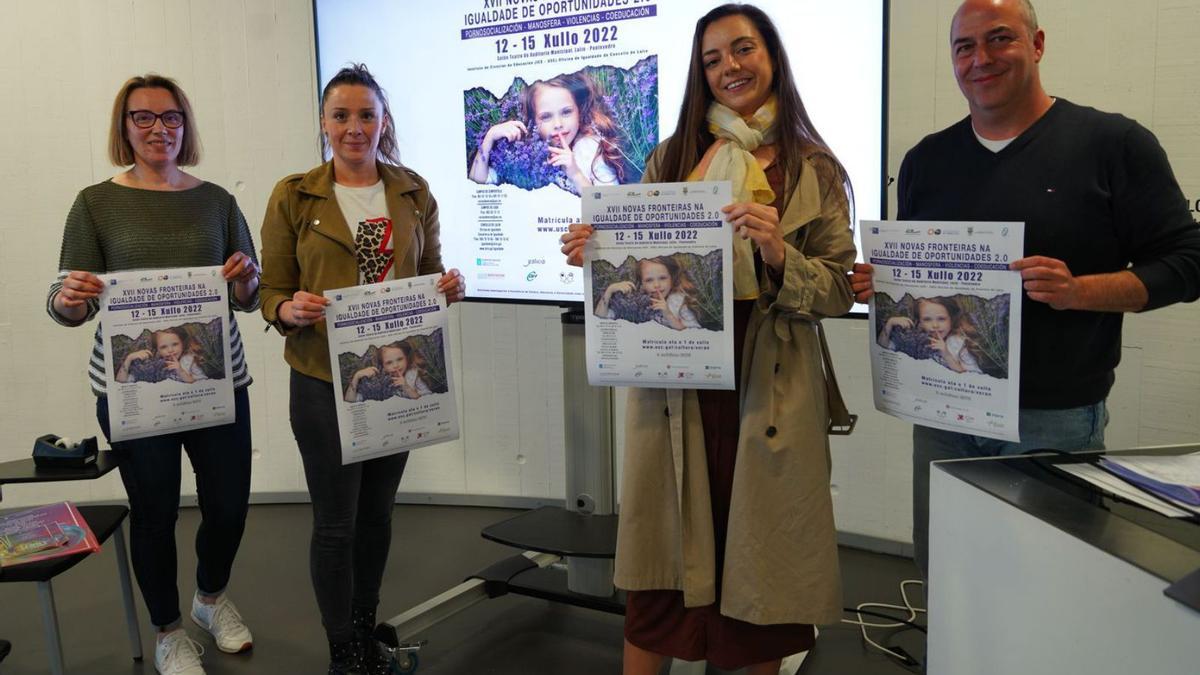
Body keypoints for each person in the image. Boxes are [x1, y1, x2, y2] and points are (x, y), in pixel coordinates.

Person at [849, 0, 1200, 577]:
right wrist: (882, 286)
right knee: (948, 575)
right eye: (965, 46)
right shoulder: (925, 161)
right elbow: (924, 287)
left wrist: (1079, 291)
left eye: (1000, 39)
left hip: (1054, 416)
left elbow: (1188, 262)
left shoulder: (1113, 144)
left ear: (1037, 45)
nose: (981, 59)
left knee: (1046, 585)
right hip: (944, 410)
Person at [561, 5, 856, 673]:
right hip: (678, 384)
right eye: (712, 59)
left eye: (742, 49)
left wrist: (781, 252)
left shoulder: (816, 170)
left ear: (772, 56)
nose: (729, 67)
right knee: (659, 576)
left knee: (762, 576)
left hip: (768, 392)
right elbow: (640, 270)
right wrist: (597, 250)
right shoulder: (671, 158)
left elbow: (839, 290)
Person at [47, 74, 260, 675]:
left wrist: (247, 279)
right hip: (130, 390)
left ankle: (209, 599)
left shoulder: (217, 200)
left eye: (170, 117)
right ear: (124, 128)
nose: (158, 128)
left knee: (229, 506)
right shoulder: (94, 202)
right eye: (143, 118)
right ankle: (168, 630)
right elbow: (69, 301)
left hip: (218, 380)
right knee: (155, 512)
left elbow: (249, 292)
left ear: (185, 125)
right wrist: (69, 297)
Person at [259, 63, 466, 675]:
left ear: (383, 122)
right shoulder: (294, 194)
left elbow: (429, 271)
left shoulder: (412, 190)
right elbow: (273, 288)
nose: (355, 127)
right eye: (341, 115)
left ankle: (364, 624)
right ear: (324, 123)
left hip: (399, 382)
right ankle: (341, 647)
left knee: (377, 516)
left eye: (366, 115)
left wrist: (447, 286)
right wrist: (287, 309)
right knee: (336, 523)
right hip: (325, 380)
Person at [469, 72, 623, 193]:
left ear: (579, 110)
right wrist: (488, 140)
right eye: (546, 117)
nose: (558, 124)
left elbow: (609, 207)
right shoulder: (523, 153)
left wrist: (575, 174)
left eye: (566, 112)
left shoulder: (590, 148)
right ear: (533, 121)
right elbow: (478, 186)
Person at [877, 297, 985, 374]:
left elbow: (970, 378)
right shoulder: (915, 338)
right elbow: (883, 349)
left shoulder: (957, 343)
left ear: (951, 319)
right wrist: (889, 324)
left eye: (941, 319)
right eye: (927, 319)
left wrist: (946, 354)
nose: (935, 325)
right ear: (919, 321)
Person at [595, 257, 703, 330]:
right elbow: (601, 320)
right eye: (649, 280)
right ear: (641, 283)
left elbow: (692, 336)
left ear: (672, 278)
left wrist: (669, 315)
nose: (656, 285)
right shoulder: (635, 302)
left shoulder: (679, 303)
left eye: (662, 278)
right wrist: (609, 291)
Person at [343, 341, 433, 403]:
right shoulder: (377, 381)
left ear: (406, 358)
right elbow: (349, 402)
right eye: (389, 362)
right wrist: (357, 376)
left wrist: (407, 387)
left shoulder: (413, 375)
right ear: (383, 366)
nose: (396, 365)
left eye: (400, 359)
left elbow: (429, 401)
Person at [116, 327, 210, 384]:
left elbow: (203, 385)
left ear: (182, 343)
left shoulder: (188, 360)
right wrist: (129, 359)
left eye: (175, 344)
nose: (170, 350)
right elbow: (121, 382)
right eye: (164, 347)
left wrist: (181, 371)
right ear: (157, 350)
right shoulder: (152, 366)